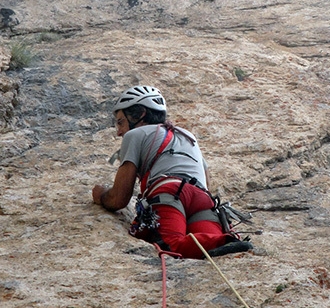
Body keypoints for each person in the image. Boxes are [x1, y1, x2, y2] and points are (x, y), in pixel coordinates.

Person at [92, 85, 252, 259]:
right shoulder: (188, 136)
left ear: (140, 114)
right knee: (213, 242)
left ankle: (222, 242)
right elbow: (205, 182)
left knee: (170, 245)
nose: (119, 132)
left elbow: (119, 198)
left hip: (169, 194)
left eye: (121, 122)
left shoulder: (135, 135)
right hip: (202, 200)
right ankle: (226, 240)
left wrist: (100, 195)